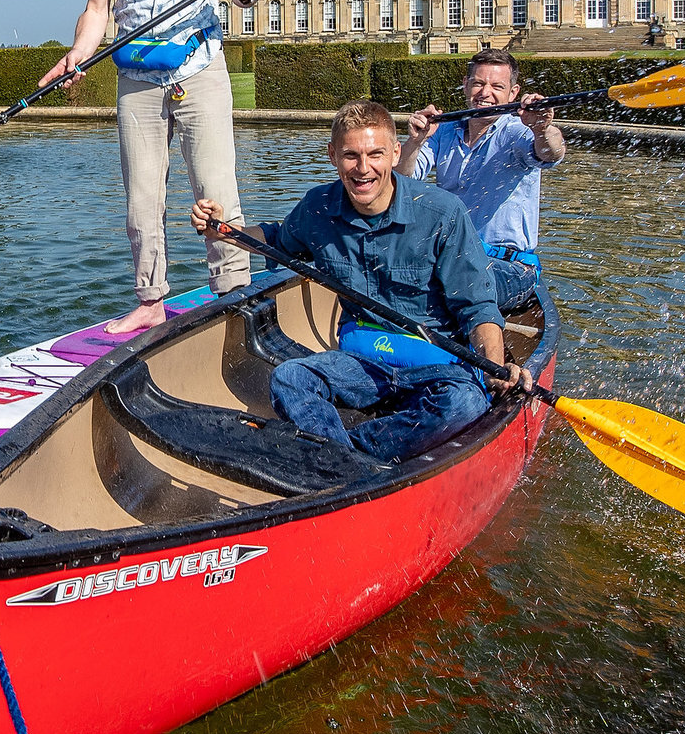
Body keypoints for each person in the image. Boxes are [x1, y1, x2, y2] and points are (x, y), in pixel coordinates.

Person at [191, 100, 532, 463]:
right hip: (361, 364)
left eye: (375, 154)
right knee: (290, 378)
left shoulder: (443, 213)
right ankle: (353, 463)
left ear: (395, 153)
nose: (363, 168)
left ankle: (343, 457)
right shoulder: (317, 207)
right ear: (332, 155)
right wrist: (224, 231)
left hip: (440, 365)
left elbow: (478, 307)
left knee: (464, 404)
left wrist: (495, 372)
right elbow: (277, 240)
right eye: (351, 155)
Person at [40, 0, 263, 337]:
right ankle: (149, 300)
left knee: (216, 188)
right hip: (137, 78)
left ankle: (234, 291)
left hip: (198, 68)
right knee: (142, 198)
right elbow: (98, 10)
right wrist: (78, 53)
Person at [399, 48, 565, 306]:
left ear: (513, 93)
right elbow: (401, 177)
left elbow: (551, 152)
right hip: (453, 258)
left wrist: (541, 128)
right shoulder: (444, 131)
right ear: (465, 85)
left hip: (509, 267)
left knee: (458, 282)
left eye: (497, 86)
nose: (485, 93)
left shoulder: (518, 132)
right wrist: (415, 141)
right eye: (478, 83)